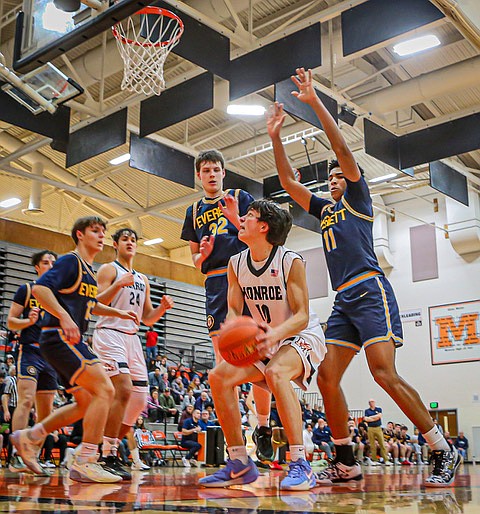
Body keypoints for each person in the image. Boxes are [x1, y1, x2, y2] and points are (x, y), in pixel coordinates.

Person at [266, 67, 462, 487]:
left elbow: (341, 147)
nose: (335, 177)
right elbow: (285, 181)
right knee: (327, 377)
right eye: (332, 176)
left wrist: (315, 101)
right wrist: (276, 137)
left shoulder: (357, 199)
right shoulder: (324, 211)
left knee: (382, 373)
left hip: (371, 290)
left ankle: (441, 449)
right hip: (343, 299)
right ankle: (345, 459)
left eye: (340, 174)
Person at [199, 200, 326, 490]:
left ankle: (299, 463)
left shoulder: (290, 261)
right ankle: (239, 464)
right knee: (218, 378)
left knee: (276, 372)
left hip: (300, 334)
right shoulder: (236, 263)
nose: (241, 219)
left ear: (263, 227)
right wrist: (233, 328)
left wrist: (274, 333)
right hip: (262, 339)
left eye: (249, 216)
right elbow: (233, 310)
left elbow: (303, 316)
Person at [11, 216, 139, 483]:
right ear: (80, 235)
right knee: (106, 389)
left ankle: (30, 437)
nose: (101, 236)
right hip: (59, 337)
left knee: (88, 401)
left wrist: (120, 313)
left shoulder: (90, 271)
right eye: (95, 231)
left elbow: (91, 303)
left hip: (67, 341)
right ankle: (85, 461)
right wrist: (65, 317)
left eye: (103, 232)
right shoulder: (71, 261)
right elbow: (41, 289)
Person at [181, 149, 274, 462]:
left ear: (223, 173)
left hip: (247, 273)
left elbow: (258, 233)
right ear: (198, 175)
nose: (211, 174)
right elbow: (194, 259)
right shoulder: (193, 210)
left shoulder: (239, 196)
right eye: (205, 170)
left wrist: (235, 217)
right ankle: (237, 443)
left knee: (259, 355)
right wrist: (202, 255)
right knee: (224, 362)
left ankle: (262, 426)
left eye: (215, 169)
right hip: (217, 282)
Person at [93, 226, 174, 480]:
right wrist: (118, 284)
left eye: (133, 240)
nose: (130, 243)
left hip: (132, 339)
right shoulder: (109, 270)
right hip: (109, 333)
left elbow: (148, 318)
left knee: (139, 400)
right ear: (115, 244)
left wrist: (161, 309)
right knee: (124, 390)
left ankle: (110, 449)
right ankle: (108, 454)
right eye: (125, 239)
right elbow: (94, 304)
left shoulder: (143, 279)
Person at [6, 249, 58, 472]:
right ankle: (17, 454)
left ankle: (32, 455)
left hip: (52, 355)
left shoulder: (60, 296)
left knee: (46, 412)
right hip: (30, 351)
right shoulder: (26, 290)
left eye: (53, 263)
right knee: (26, 400)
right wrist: (28, 321)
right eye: (46, 262)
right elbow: (10, 322)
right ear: (37, 267)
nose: (50, 265)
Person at [364, 399, 391, 466]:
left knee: (382, 443)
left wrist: (371, 418)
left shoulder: (378, 409)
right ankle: (374, 460)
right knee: (372, 445)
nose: (371, 403)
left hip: (378, 428)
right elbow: (366, 419)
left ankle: (386, 460)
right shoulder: (367, 411)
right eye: (370, 402)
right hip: (370, 428)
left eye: (372, 402)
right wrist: (374, 417)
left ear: (374, 402)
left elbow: (379, 417)